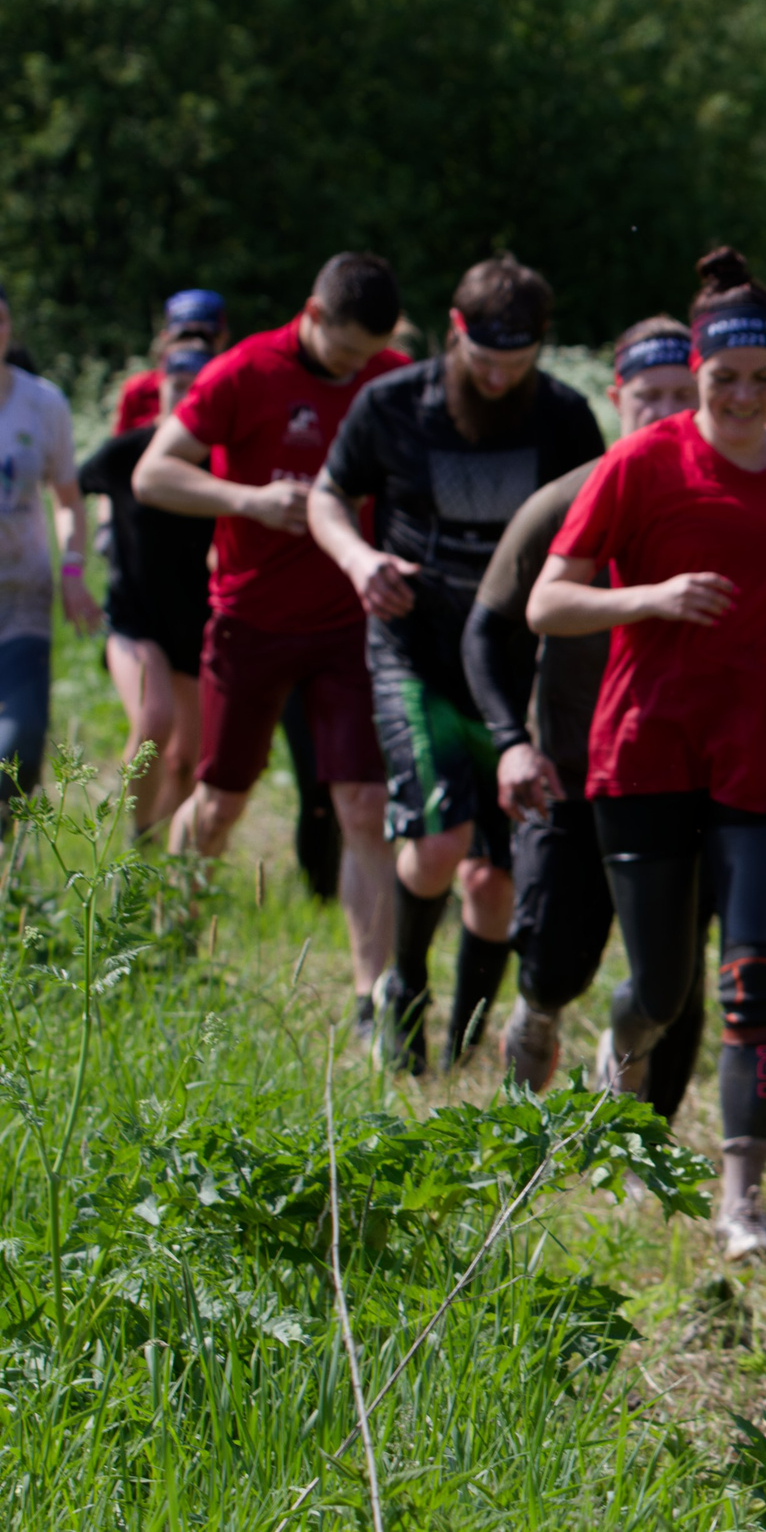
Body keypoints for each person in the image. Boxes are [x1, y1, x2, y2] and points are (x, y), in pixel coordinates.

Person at [527, 247, 766, 1262]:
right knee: (663, 990)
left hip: (765, 764)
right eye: (723, 379)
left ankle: (741, 1204)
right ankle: (622, 1047)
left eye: (761, 381)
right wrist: (650, 597)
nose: (740, 397)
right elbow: (548, 601)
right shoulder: (641, 466)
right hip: (646, 753)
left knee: (754, 978)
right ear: (696, 373)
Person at [308, 255, 605, 1075]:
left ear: (542, 346)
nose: (500, 376)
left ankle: (466, 1037)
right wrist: (360, 560)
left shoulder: (566, 418)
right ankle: (400, 989)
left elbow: (593, 533)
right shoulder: (394, 404)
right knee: (437, 841)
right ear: (454, 329)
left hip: (516, 665)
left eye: (518, 361)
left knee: (492, 880)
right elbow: (327, 496)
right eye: (484, 359)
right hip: (416, 647)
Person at [137, 252, 409, 1038]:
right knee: (220, 803)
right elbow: (155, 475)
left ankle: (372, 1001)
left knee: (362, 802)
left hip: (351, 621)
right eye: (346, 351)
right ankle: (169, 946)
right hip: (251, 620)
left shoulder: (391, 378)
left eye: (371, 355)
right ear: (312, 315)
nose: (358, 369)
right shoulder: (242, 371)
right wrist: (247, 499)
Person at [464, 316, 707, 1114]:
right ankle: (534, 1027)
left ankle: (643, 1138)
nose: (667, 410)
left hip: (682, 775)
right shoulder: (564, 502)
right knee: (556, 961)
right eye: (650, 396)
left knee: (676, 974)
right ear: (617, 398)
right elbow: (490, 630)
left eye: (682, 393)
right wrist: (508, 742)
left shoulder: (725, 503)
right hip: (571, 770)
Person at [80, 338, 217, 837]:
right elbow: (69, 489)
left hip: (196, 626)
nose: (182, 397)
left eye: (194, 389)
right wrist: (79, 559)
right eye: (175, 385)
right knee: (154, 722)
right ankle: (132, 847)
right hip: (134, 619)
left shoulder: (220, 465)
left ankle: (157, 851)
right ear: (160, 384)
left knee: (188, 759)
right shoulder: (126, 454)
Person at [0, 282, 105, 807]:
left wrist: (71, 571)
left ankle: (5, 869)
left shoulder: (43, 403)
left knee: (17, 743)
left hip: (23, 599)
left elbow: (67, 500)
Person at [114, 288, 230, 434]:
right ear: (165, 337)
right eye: (184, 335)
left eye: (205, 337)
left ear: (223, 338)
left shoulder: (233, 390)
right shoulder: (139, 391)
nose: (195, 344)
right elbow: (120, 451)